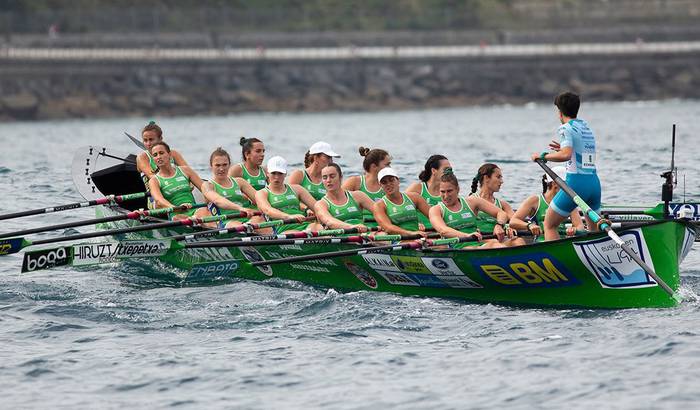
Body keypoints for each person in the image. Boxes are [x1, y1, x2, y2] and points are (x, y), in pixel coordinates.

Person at [531, 91, 601, 240]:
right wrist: (563, 149)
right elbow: (576, 151)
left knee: (549, 225)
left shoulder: (565, 128)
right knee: (594, 232)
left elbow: (566, 155)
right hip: (594, 184)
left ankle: (554, 261)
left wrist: (543, 156)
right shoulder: (586, 127)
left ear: (560, 112)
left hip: (576, 185)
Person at [429, 172, 521, 248]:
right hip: (458, 247)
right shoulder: (436, 209)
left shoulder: (472, 202)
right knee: (495, 246)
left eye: (449, 191)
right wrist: (466, 236)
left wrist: (499, 225)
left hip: (478, 242)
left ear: (457, 189)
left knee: (518, 241)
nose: (446, 196)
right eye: (442, 192)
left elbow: (501, 213)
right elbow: (443, 230)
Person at [509, 166, 584, 241]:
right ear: (555, 184)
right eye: (567, 185)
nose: (570, 189)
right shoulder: (535, 201)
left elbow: (580, 226)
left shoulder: (568, 201)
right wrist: (529, 225)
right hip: (541, 244)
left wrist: (574, 229)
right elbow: (513, 221)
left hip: (563, 243)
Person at [255, 156, 322, 233]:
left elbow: (318, 207)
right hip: (283, 230)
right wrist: (289, 217)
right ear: (267, 174)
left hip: (304, 225)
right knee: (301, 234)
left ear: (285, 174)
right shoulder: (261, 193)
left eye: (280, 173)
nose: (277, 177)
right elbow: (268, 210)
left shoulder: (297, 189)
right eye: (273, 173)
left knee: (319, 228)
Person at [200, 147, 262, 228]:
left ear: (229, 165)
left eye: (225, 165)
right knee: (239, 226)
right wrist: (240, 208)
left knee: (260, 218)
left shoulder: (240, 182)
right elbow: (218, 201)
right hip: (226, 222)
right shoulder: (207, 186)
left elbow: (259, 199)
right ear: (211, 166)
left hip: (246, 219)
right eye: (217, 165)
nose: (221, 169)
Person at [147, 141, 206, 221]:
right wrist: (176, 208)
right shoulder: (154, 181)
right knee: (183, 219)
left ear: (170, 155)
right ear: (153, 159)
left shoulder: (186, 170)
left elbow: (205, 189)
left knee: (204, 212)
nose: (158, 157)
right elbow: (159, 201)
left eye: (161, 153)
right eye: (155, 155)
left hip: (194, 209)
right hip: (176, 214)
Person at [314, 163, 375, 232]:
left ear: (341, 177)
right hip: (338, 239)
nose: (328, 180)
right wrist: (352, 227)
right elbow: (329, 222)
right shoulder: (320, 204)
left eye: (332, 176)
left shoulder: (358, 196)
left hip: (361, 236)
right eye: (325, 178)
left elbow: (379, 212)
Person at [373, 167, 431, 237]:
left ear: (398, 181)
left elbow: (432, 216)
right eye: (384, 182)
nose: (388, 184)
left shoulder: (414, 197)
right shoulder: (379, 206)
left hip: (418, 237)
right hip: (397, 241)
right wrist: (409, 233)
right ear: (380, 186)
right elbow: (388, 228)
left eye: (391, 180)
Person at [342, 146, 391, 226]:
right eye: (387, 165)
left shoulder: (388, 185)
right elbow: (335, 202)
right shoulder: (354, 182)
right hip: (359, 226)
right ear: (374, 166)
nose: (390, 168)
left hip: (382, 225)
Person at [406, 155, 451, 230]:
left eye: (450, 170)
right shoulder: (417, 188)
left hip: (441, 231)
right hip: (421, 232)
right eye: (446, 170)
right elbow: (401, 207)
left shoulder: (449, 191)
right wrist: (415, 223)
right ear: (433, 171)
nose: (449, 173)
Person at [470, 163, 516, 234]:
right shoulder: (471, 201)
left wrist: (508, 226)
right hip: (479, 241)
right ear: (486, 178)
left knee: (518, 241)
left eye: (501, 178)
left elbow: (515, 221)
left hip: (498, 240)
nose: (502, 181)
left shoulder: (503, 205)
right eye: (498, 177)